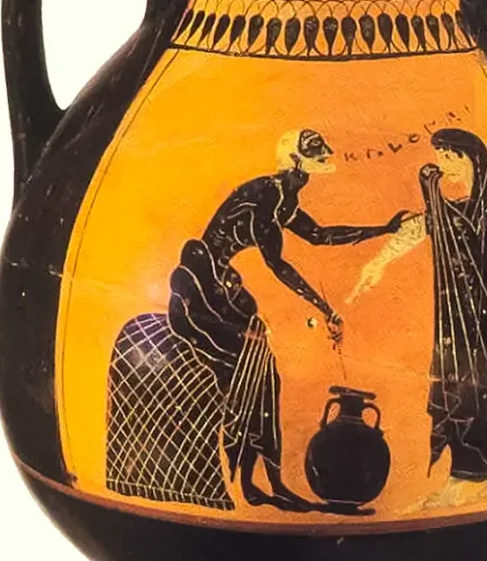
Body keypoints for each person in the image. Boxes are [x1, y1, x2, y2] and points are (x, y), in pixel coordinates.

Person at [106, 128, 407, 512]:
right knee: (253, 365)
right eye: (313, 156)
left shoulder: (284, 199)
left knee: (265, 374)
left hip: (224, 289)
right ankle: (259, 483)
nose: (319, 163)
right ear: (295, 161)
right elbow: (277, 265)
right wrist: (323, 307)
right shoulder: (267, 195)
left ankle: (263, 483)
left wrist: (384, 229)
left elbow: (319, 236)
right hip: (203, 290)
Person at [348, 128, 487, 486]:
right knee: (459, 386)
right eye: (439, 157)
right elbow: (426, 227)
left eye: (447, 157)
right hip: (467, 313)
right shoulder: (461, 205)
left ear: (469, 157)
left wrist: (436, 203)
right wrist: (379, 262)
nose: (443, 166)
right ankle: (461, 476)